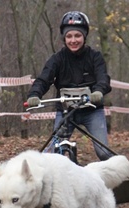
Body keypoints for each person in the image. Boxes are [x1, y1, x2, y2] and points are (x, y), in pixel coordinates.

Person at [26, 11, 112, 161]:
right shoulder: (57, 59)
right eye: (69, 36)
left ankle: (119, 175)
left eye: (77, 36)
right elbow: (43, 80)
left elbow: (103, 78)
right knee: (52, 152)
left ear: (84, 37)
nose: (73, 40)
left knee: (103, 153)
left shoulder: (95, 57)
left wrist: (98, 91)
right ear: (64, 38)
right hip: (66, 112)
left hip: (92, 111)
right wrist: (34, 95)